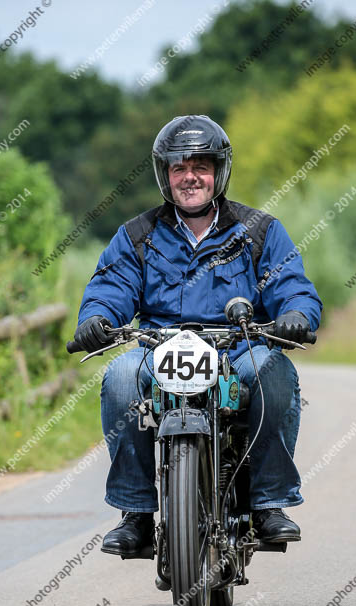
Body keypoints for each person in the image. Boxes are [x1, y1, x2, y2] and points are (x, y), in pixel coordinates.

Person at [74, 115, 322, 557]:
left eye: (201, 166)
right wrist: (96, 318)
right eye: (178, 168)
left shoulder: (260, 231)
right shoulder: (137, 236)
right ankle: (137, 515)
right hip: (158, 347)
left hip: (238, 347)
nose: (190, 177)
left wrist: (296, 314)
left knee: (274, 372)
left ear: (219, 172)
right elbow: (110, 289)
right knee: (118, 377)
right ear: (164, 175)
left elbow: (293, 287)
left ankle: (268, 503)